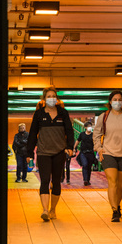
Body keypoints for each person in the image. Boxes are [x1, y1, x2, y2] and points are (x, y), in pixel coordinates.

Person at [27, 86, 74, 221]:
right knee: (45, 181)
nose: (52, 99)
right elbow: (32, 134)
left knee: (56, 182)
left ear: (57, 99)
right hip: (43, 152)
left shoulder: (63, 113)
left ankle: (53, 209)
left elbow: (69, 131)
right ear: (44, 99)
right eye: (49, 97)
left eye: (54, 96)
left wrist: (70, 147)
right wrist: (29, 153)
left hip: (59, 152)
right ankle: (45, 210)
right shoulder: (39, 114)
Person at [93, 91, 122, 222]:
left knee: (121, 184)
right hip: (108, 153)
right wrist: (99, 148)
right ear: (110, 102)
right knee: (112, 181)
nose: (117, 102)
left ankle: (117, 205)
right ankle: (114, 210)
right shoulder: (104, 116)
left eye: (119, 99)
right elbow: (96, 134)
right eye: (114, 99)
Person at [74, 121, 95, 186]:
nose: (90, 128)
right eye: (88, 126)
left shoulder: (93, 135)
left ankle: (88, 180)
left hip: (91, 153)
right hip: (83, 152)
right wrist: (74, 148)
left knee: (89, 166)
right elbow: (78, 141)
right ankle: (85, 180)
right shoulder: (82, 134)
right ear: (85, 127)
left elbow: (95, 142)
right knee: (85, 165)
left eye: (90, 126)